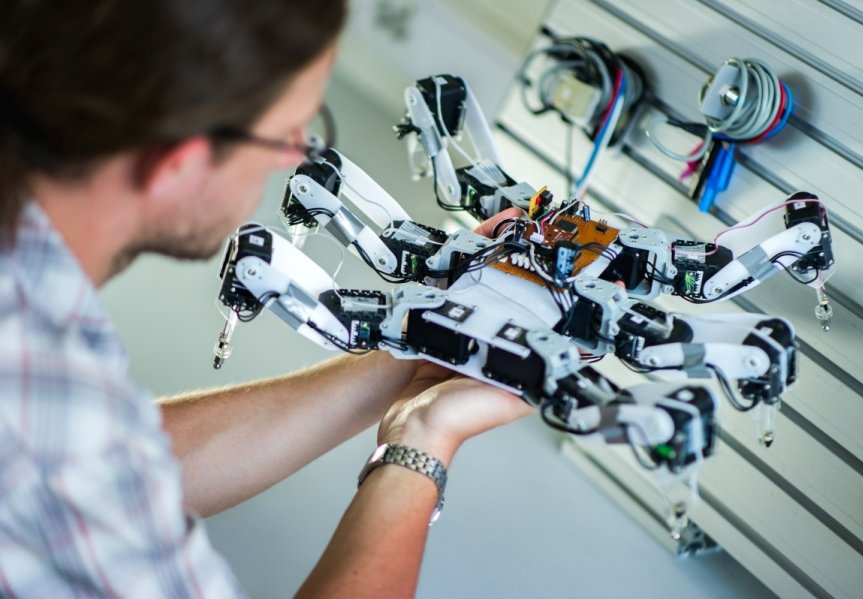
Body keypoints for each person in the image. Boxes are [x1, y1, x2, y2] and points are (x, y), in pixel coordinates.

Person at [0, 1, 532, 596]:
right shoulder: (39, 416)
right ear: (178, 164)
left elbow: (112, 468)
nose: (296, 155)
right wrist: (423, 440)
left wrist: (412, 344)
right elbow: (62, 466)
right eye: (287, 132)